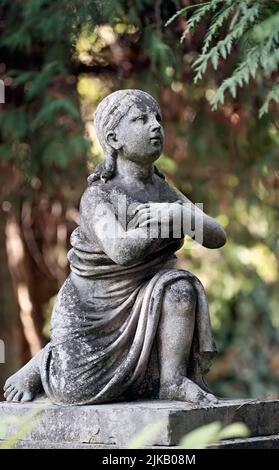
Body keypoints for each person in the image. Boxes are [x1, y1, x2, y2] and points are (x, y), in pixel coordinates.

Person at [4, 89, 226, 405]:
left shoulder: (164, 192)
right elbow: (121, 251)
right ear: (114, 138)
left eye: (158, 118)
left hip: (147, 296)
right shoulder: (99, 196)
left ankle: (173, 381)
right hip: (93, 311)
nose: (156, 126)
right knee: (74, 392)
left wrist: (181, 213)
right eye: (141, 119)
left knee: (180, 287)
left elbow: (216, 236)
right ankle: (46, 362)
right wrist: (172, 220)